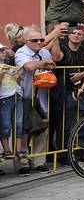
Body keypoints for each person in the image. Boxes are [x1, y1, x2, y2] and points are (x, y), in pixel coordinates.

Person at [15, 28, 63, 176]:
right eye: (35, 40)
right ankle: (22, 164)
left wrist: (54, 40)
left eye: (41, 40)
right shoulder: (21, 52)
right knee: (23, 131)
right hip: (24, 97)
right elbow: (28, 66)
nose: (39, 42)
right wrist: (44, 63)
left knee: (43, 129)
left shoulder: (44, 52)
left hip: (41, 97)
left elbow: (54, 60)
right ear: (26, 41)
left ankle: (39, 162)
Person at [51, 27, 84, 165]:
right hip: (64, 91)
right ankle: (64, 155)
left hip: (79, 91)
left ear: (83, 38)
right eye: (73, 33)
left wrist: (81, 74)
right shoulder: (63, 47)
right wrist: (55, 38)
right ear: (68, 36)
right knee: (65, 124)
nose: (76, 35)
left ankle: (81, 141)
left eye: (79, 34)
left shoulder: (83, 50)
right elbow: (56, 57)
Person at [0, 44, 27, 175]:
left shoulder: (9, 65)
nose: (3, 52)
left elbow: (18, 81)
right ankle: (7, 150)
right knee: (5, 125)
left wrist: (17, 77)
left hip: (17, 96)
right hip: (4, 98)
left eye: (3, 50)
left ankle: (19, 150)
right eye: (1, 51)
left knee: (19, 124)